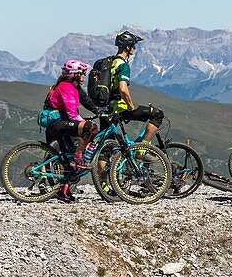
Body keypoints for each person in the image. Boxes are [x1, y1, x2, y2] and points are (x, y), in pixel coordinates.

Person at [43, 59, 100, 202]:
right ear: (74, 74)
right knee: (89, 128)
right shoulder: (65, 87)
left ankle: (63, 192)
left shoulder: (75, 86)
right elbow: (72, 114)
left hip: (62, 121)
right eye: (82, 73)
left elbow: (86, 100)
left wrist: (99, 111)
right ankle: (79, 157)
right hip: (56, 123)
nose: (84, 75)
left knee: (69, 159)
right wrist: (84, 124)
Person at [108, 31, 164, 144]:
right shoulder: (123, 65)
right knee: (157, 114)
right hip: (120, 108)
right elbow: (123, 88)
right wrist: (130, 106)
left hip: (107, 108)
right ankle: (142, 150)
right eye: (133, 46)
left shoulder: (110, 63)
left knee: (107, 147)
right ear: (127, 47)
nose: (134, 48)